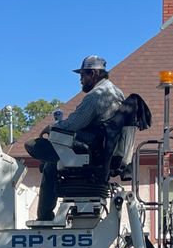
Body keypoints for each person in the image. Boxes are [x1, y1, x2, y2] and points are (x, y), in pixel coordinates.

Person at [26, 56, 125, 220]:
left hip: (90, 152)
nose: (80, 80)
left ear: (92, 73)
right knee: (52, 159)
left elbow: (73, 123)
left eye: (82, 76)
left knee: (37, 150)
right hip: (104, 150)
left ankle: (44, 217)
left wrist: (52, 128)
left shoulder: (96, 96)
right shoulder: (117, 93)